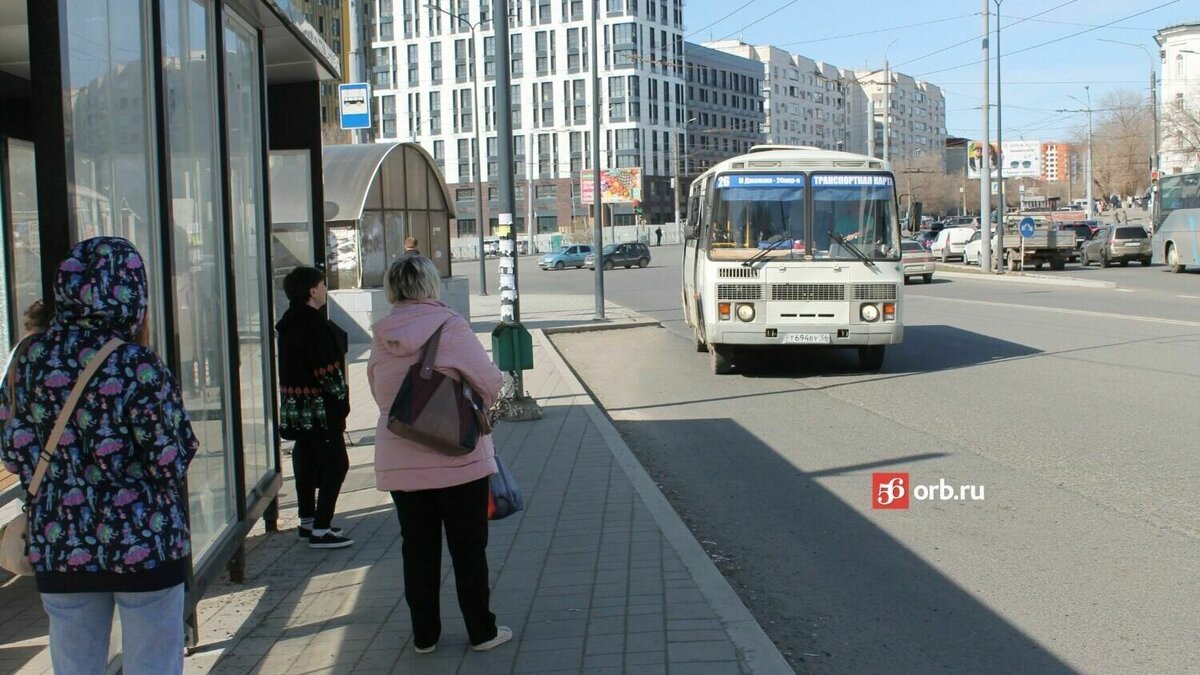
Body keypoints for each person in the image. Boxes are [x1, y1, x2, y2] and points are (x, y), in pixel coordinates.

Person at [0, 236, 198, 674]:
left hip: (61, 542)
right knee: (155, 662)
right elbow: (170, 459)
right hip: (145, 541)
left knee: (75, 665)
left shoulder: (27, 360)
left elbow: (12, 450)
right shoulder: (136, 364)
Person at [368, 255, 510, 654]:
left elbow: (381, 396)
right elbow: (490, 381)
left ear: (393, 290)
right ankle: (482, 632)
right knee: (468, 549)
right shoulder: (450, 326)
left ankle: (425, 637)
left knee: (417, 550)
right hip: (458, 459)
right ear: (431, 285)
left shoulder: (382, 335)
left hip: (401, 462)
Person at [276, 267, 353, 549]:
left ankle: (307, 519)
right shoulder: (313, 324)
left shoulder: (288, 322)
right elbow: (327, 371)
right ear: (311, 291)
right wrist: (341, 400)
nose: (324, 289)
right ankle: (322, 528)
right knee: (337, 464)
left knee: (305, 460)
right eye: (322, 284)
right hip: (319, 410)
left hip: (296, 407)